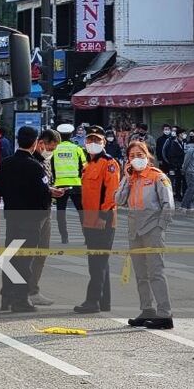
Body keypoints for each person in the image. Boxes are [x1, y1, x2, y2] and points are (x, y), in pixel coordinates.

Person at [117, 141, 175, 329]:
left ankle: (164, 314)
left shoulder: (158, 177)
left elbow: (169, 205)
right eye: (132, 155)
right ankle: (147, 309)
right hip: (134, 229)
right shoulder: (130, 177)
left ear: (148, 155)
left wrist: (160, 227)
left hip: (152, 228)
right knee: (141, 273)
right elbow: (118, 200)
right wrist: (126, 178)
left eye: (140, 154)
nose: (136, 158)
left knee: (156, 272)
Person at [0, 125, 51, 313]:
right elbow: (44, 195)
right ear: (35, 143)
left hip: (12, 217)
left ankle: (6, 297)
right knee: (25, 260)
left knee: (11, 258)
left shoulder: (6, 163)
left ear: (17, 140)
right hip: (31, 219)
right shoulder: (35, 166)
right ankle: (21, 299)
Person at [74, 126, 121, 314]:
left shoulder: (109, 163)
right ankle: (104, 301)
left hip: (103, 220)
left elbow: (111, 193)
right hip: (89, 219)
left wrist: (103, 216)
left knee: (97, 263)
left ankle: (92, 301)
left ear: (104, 142)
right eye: (90, 140)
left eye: (97, 140)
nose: (93, 143)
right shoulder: (88, 165)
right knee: (100, 262)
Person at [29, 128, 65, 307]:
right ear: (41, 143)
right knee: (29, 253)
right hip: (32, 214)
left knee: (42, 252)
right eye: (50, 148)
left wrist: (52, 190)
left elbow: (46, 183)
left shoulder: (45, 161)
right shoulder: (31, 161)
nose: (51, 152)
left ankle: (33, 289)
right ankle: (26, 291)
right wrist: (49, 190)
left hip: (46, 210)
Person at [52, 124, 87, 244]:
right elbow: (85, 167)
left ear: (59, 136)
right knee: (82, 212)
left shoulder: (55, 149)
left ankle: (64, 238)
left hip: (60, 185)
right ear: (71, 135)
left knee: (61, 213)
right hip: (76, 185)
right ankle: (86, 238)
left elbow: (50, 168)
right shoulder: (77, 149)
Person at [161, 127, 186, 200]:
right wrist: (175, 165)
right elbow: (171, 155)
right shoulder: (173, 143)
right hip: (177, 165)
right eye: (183, 133)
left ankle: (181, 194)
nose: (184, 135)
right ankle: (177, 195)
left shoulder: (184, 142)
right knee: (177, 180)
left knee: (182, 180)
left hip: (183, 164)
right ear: (179, 134)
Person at [180, 134, 194, 214]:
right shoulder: (191, 149)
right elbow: (186, 161)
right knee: (190, 189)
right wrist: (184, 169)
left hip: (193, 171)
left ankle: (188, 206)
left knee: (191, 189)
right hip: (190, 171)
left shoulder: (193, 149)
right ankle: (183, 206)